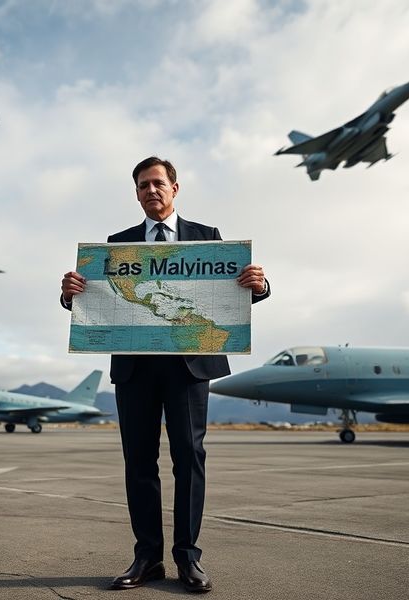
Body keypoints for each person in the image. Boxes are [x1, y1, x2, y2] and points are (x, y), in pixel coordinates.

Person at [60, 156, 270, 593]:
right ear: (136, 194)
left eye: (157, 183)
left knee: (188, 459)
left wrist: (259, 285)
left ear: (175, 188)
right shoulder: (116, 245)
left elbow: (232, 295)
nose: (150, 191)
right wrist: (70, 296)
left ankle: (188, 558)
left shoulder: (208, 239)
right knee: (139, 461)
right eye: (141, 186)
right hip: (136, 367)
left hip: (189, 365)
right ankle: (147, 558)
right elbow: (96, 302)